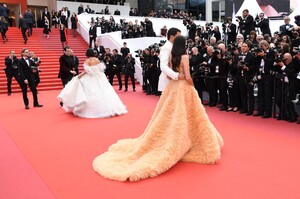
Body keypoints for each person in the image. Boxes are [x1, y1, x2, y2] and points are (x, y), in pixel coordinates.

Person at [92, 36, 224, 182]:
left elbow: (168, 75)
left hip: (173, 87)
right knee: (188, 114)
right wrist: (192, 85)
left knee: (172, 114)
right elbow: (187, 75)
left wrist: (176, 78)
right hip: (184, 88)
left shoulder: (173, 56)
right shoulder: (185, 56)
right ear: (184, 44)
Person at [57, 48, 127, 118]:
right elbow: (101, 69)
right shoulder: (97, 59)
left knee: (89, 92)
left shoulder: (88, 60)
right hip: (99, 77)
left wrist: (79, 76)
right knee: (103, 92)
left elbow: (87, 71)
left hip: (90, 77)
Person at [158, 27, 184, 93]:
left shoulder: (174, 47)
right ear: (172, 37)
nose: (180, 39)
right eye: (178, 37)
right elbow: (163, 66)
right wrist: (176, 75)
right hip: (168, 82)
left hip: (175, 82)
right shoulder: (166, 48)